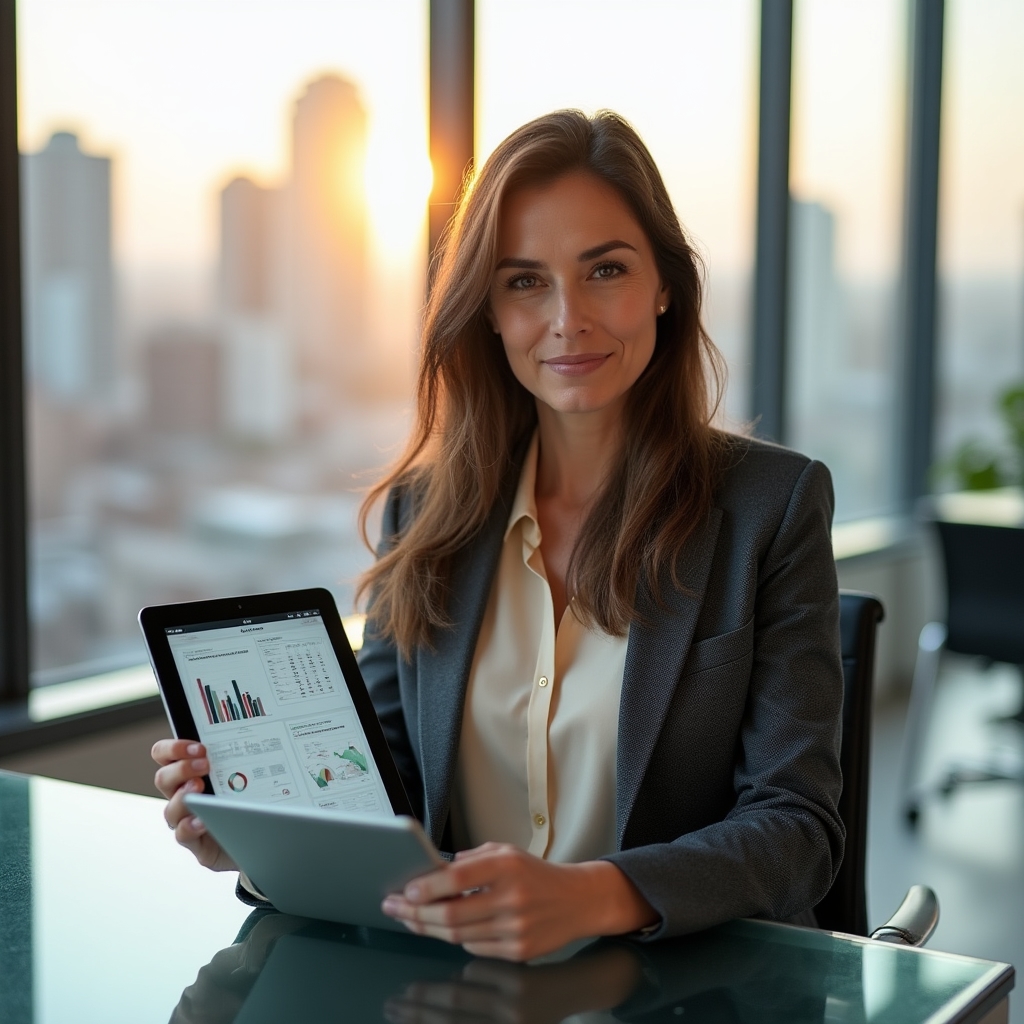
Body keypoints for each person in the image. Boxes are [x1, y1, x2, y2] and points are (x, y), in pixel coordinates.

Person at [153, 109, 844, 963]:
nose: (567, 319)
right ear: (486, 308)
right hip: (461, 986)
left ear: (665, 284)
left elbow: (797, 828)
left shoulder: (770, 507)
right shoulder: (427, 511)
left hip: (691, 987)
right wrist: (263, 841)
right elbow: (386, 781)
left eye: (606, 271)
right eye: (525, 282)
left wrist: (590, 896)